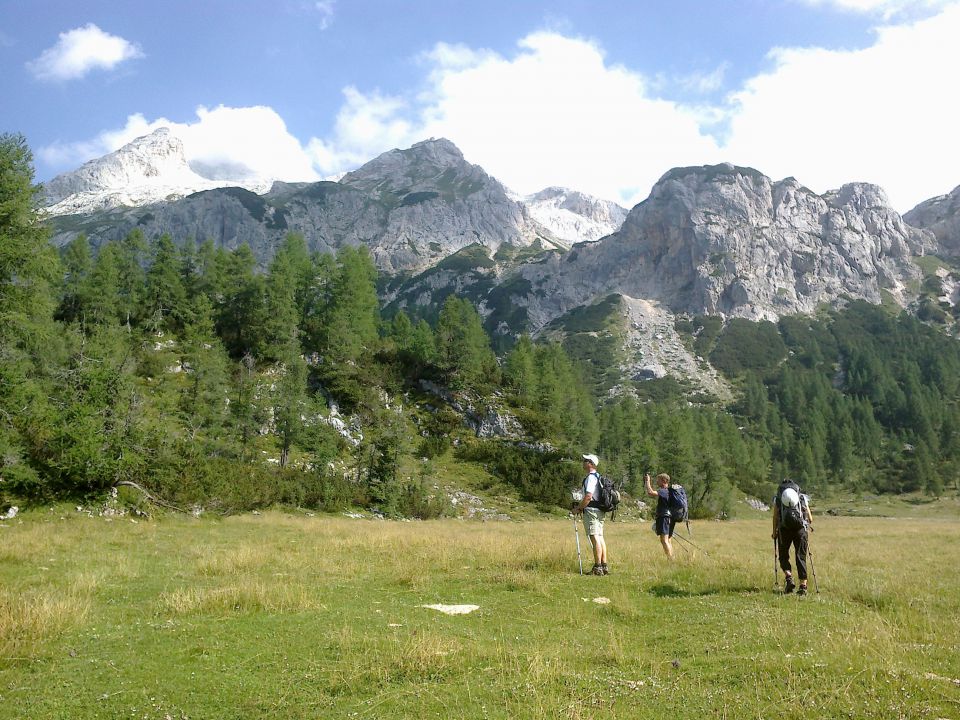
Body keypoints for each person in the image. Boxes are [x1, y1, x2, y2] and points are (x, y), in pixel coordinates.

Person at [772, 478, 813, 595]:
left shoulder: (779, 498)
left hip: (784, 529)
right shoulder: (801, 497)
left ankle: (789, 577)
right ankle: (803, 586)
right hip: (800, 530)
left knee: (783, 555)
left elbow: (775, 516)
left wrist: (774, 532)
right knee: (801, 556)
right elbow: (810, 518)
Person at [572, 453, 608, 575]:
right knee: (600, 536)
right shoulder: (598, 477)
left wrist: (579, 508)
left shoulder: (591, 478)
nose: (583, 462)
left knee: (594, 537)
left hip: (592, 510)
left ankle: (597, 567)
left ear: (590, 464)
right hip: (600, 510)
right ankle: (604, 565)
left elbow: (588, 496)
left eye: (585, 460)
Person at [645, 472, 675, 559]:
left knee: (664, 540)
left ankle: (670, 559)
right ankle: (672, 558)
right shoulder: (669, 491)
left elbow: (650, 492)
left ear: (664, 481)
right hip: (669, 518)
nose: (657, 482)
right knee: (668, 540)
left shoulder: (663, 491)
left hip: (664, 518)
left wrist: (648, 481)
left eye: (658, 480)